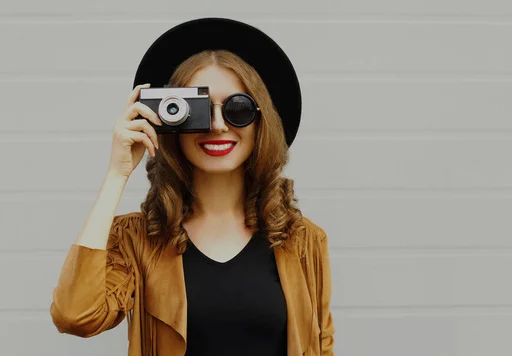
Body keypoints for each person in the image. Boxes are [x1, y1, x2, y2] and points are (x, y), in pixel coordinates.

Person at [50, 18, 335, 356]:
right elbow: (74, 315)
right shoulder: (137, 240)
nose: (217, 125)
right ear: (169, 121)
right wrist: (117, 173)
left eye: (237, 109)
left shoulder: (303, 241)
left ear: (262, 123)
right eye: (197, 110)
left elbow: (321, 347)